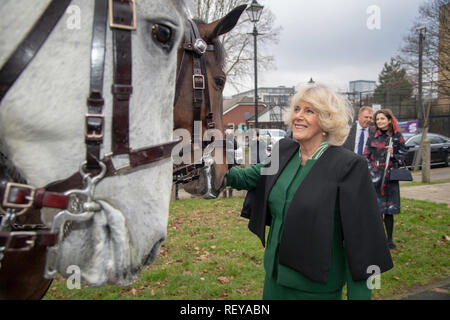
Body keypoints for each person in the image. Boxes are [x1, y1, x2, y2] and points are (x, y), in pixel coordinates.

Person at [227, 83, 393, 300]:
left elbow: (365, 243)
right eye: (297, 109)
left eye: (309, 111)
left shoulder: (348, 166)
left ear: (326, 120)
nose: (298, 116)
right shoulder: (284, 152)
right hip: (273, 284)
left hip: (314, 291)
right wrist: (210, 161)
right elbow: (242, 178)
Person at [364, 109, 408, 250]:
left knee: (389, 210)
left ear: (389, 120)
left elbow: (404, 156)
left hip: (390, 179)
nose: (379, 121)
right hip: (375, 178)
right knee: (376, 211)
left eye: (382, 119)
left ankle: (389, 240)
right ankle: (377, 238)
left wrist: (394, 154)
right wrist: (370, 171)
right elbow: (366, 156)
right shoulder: (372, 136)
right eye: (377, 119)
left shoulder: (397, 136)